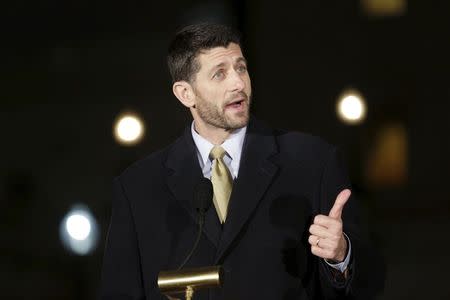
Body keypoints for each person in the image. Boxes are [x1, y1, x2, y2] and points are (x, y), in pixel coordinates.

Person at [100, 23, 382, 299]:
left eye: (241, 68)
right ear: (186, 94)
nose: (238, 83)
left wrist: (342, 255)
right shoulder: (137, 187)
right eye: (219, 74)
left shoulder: (312, 161)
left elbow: (369, 283)